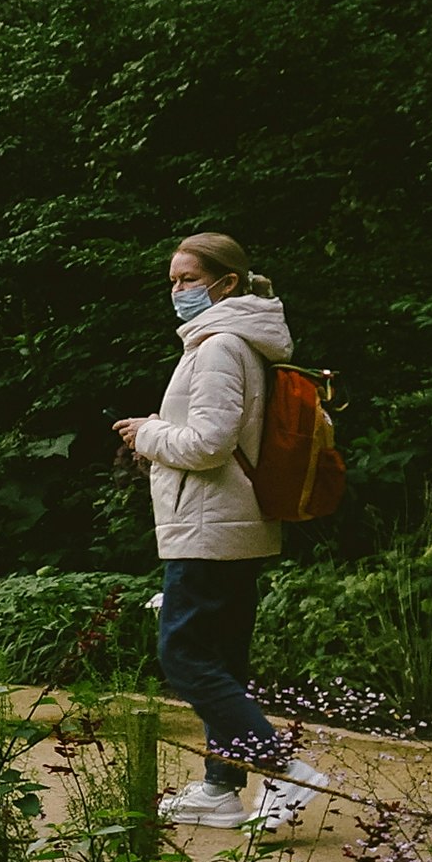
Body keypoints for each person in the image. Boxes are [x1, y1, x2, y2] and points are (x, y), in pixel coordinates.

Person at [117, 230, 332, 828]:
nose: (178, 291)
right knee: (222, 656)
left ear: (227, 283)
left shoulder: (216, 348)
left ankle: (285, 773)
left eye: (188, 279)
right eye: (173, 282)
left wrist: (149, 433)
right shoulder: (245, 344)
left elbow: (209, 444)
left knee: (183, 654)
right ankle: (219, 787)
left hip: (210, 524)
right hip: (238, 523)